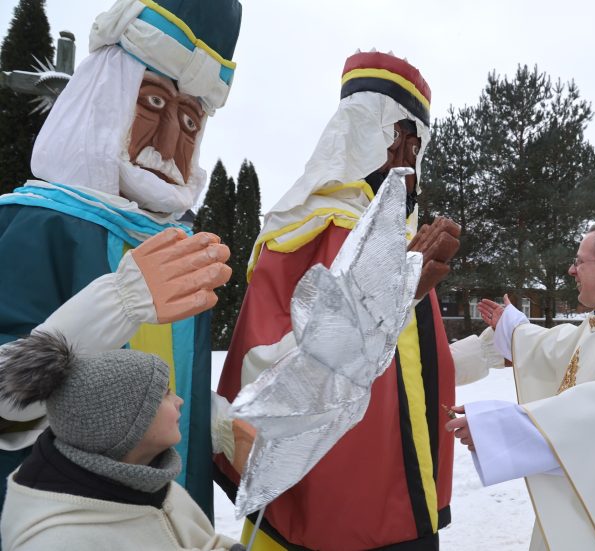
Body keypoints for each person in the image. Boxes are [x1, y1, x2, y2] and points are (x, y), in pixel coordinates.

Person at [214, 50, 503, 550]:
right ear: (359, 135)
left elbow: (406, 371)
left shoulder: (406, 238)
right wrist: (382, 304)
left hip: (404, 495)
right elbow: (269, 376)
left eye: (417, 146)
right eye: (397, 141)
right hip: (337, 504)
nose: (408, 161)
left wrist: (480, 354)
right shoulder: (311, 230)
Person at [0, 0, 242, 519]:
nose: (173, 138)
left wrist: (211, 422)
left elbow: (169, 384)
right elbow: (4, 401)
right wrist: (120, 303)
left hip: (170, 518)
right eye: (153, 103)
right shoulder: (34, 223)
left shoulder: (180, 243)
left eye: (190, 121)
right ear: (106, 99)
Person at [447, 223, 595, 550]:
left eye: (579, 261)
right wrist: (512, 327)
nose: (571, 270)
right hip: (580, 493)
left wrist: (494, 428)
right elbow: (553, 349)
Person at [0, 331, 240, 551]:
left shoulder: (154, 484)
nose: (179, 401)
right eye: (165, 394)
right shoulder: (58, 542)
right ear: (126, 420)